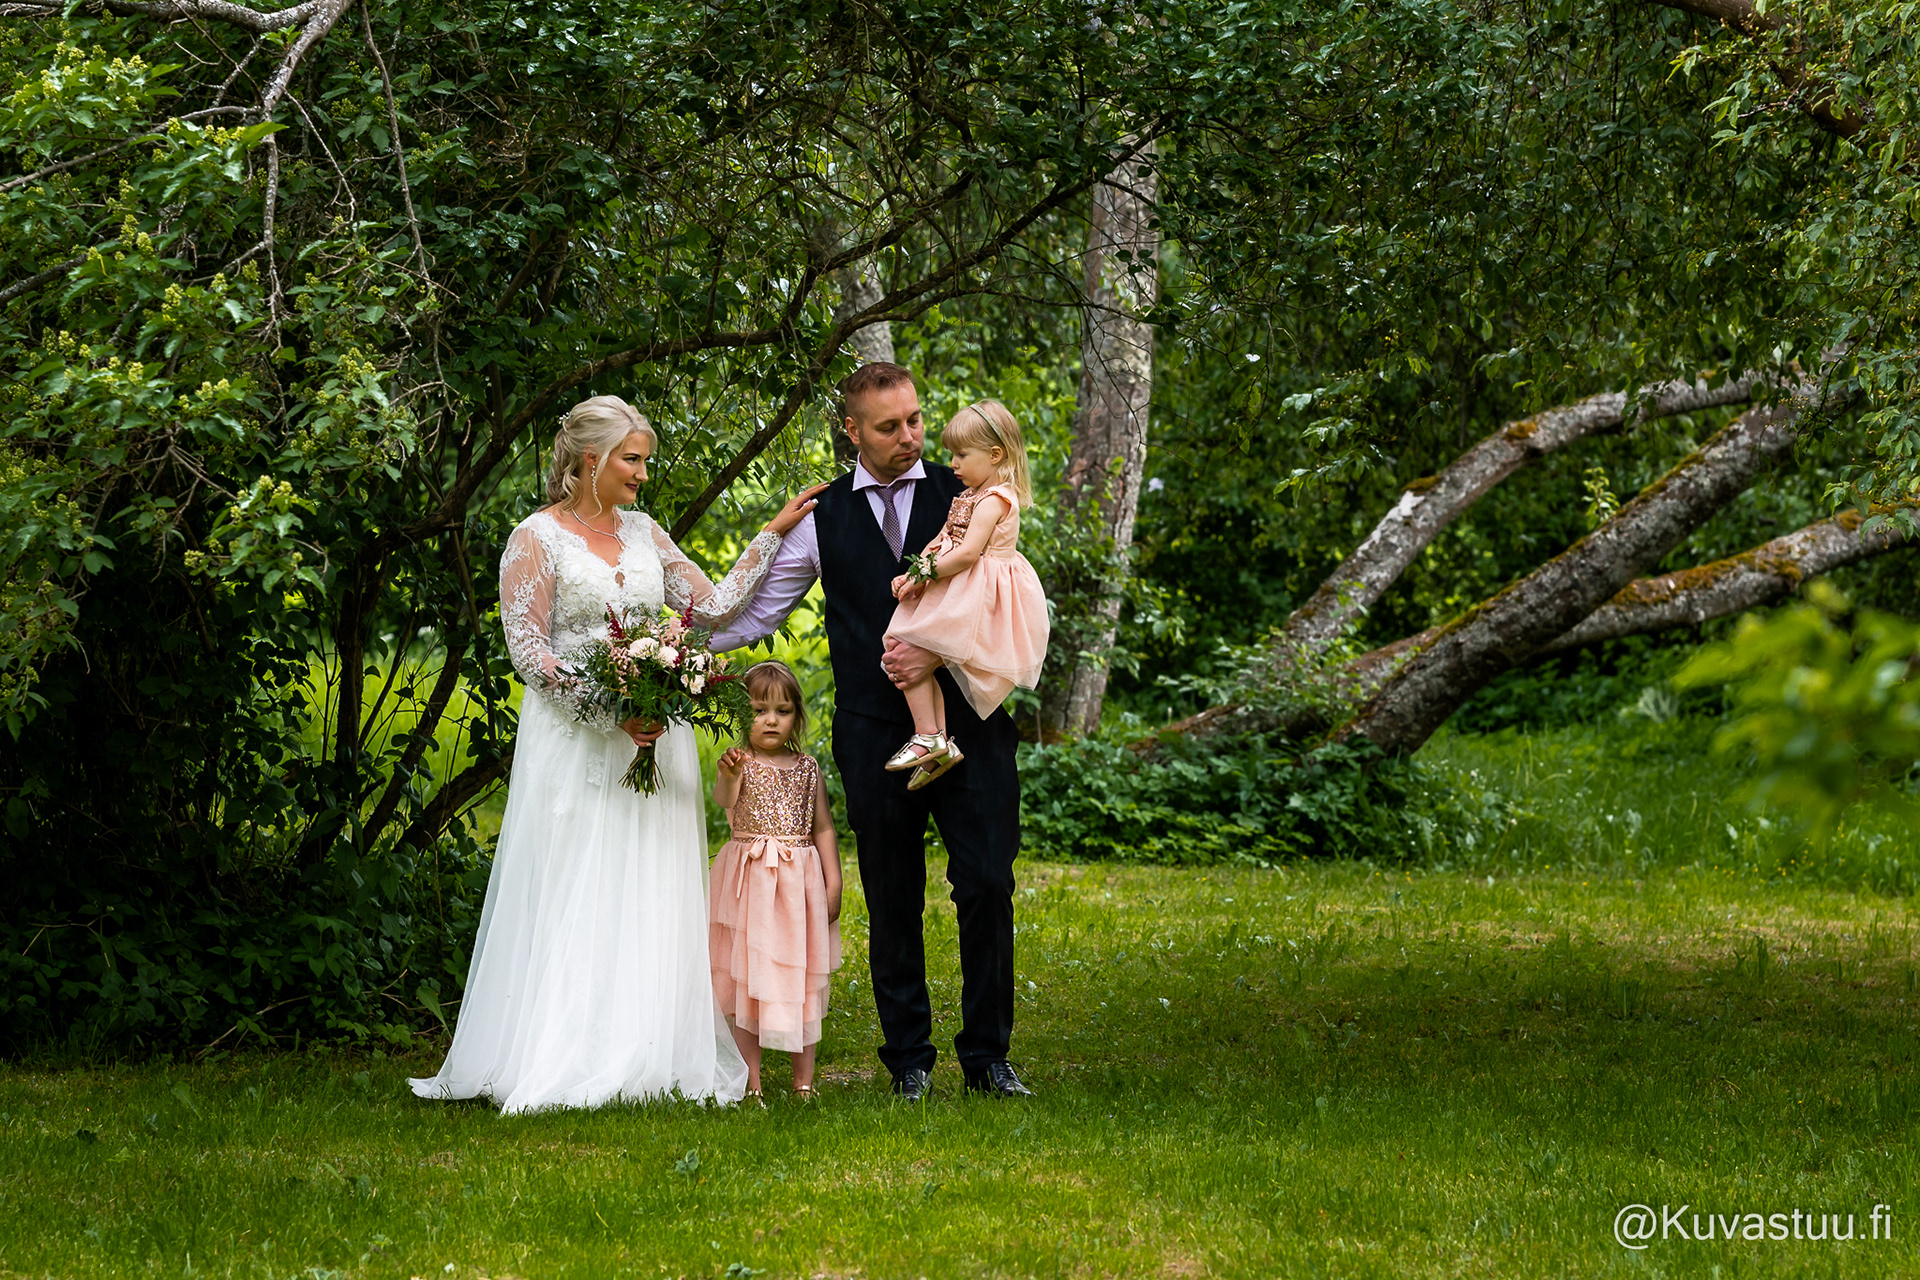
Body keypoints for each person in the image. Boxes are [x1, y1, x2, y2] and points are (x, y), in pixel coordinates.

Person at [409, 395, 826, 1114]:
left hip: (655, 738)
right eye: (632, 460)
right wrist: (610, 708)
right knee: (577, 879)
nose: (641, 473)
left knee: (649, 884)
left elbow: (712, 608)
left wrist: (770, 535)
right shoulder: (535, 538)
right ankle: (565, 1049)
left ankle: (647, 1046)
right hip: (575, 740)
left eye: (644, 460)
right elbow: (530, 653)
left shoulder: (644, 531)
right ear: (589, 459)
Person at [710, 362, 1033, 1100]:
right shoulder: (822, 516)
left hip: (972, 723)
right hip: (872, 729)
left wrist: (936, 652)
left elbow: (1004, 598)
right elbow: (759, 615)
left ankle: (988, 1058)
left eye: (915, 419)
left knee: (987, 882)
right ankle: (909, 1060)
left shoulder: (971, 491)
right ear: (852, 430)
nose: (910, 436)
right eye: (889, 427)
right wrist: (675, 651)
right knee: (892, 893)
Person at [882, 400, 1049, 789]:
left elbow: (969, 552)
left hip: (977, 590)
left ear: (995, 455)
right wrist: (913, 571)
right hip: (955, 582)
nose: (953, 463)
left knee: (907, 645)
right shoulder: (971, 495)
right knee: (899, 645)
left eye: (961, 455)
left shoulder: (994, 500)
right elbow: (943, 539)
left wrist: (925, 573)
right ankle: (935, 740)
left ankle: (929, 737)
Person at [708, 660, 843, 1101]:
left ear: (796, 716)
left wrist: (834, 881)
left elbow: (823, 828)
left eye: (782, 711)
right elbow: (724, 799)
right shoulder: (738, 763)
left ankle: (803, 1082)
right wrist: (729, 775)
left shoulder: (808, 768)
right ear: (741, 715)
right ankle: (751, 1081)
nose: (770, 720)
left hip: (797, 889)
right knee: (746, 983)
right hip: (750, 886)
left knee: (799, 979)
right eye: (759, 710)